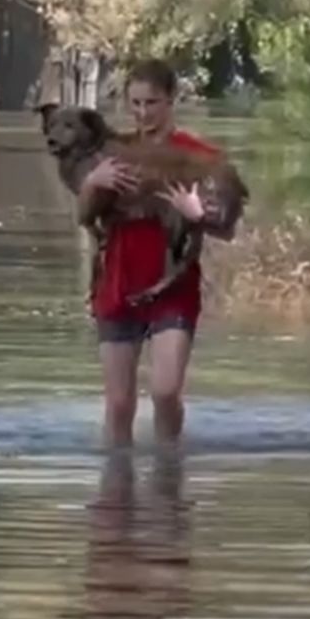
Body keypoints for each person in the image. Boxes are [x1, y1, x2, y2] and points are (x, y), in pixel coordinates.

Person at [75, 60, 241, 448]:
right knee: (119, 404)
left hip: (173, 286)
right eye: (134, 103)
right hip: (117, 284)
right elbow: (84, 217)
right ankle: (117, 477)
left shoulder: (199, 156)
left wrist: (197, 215)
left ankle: (169, 466)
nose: (142, 112)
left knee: (165, 392)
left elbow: (227, 228)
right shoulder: (114, 153)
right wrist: (92, 184)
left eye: (151, 103)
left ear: (171, 100)